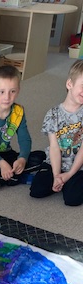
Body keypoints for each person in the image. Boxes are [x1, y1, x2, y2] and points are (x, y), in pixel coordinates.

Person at [30, 59, 83, 206]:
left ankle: (70, 180)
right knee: (37, 191)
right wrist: (56, 175)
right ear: (69, 84)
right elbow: (54, 147)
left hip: (79, 165)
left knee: (72, 199)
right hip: (56, 162)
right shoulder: (53, 114)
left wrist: (69, 174)